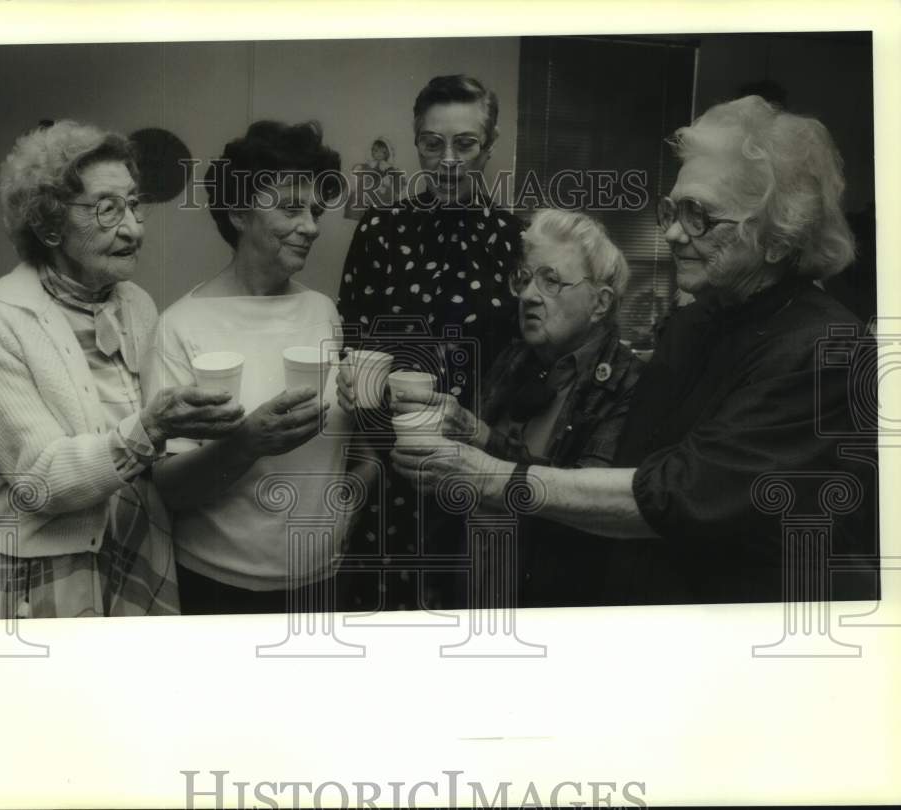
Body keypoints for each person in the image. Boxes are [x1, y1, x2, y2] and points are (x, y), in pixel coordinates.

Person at [391, 95, 879, 606]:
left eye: (699, 216)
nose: (669, 232)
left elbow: (674, 495)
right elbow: (605, 473)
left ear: (777, 237)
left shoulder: (826, 348)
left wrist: (487, 476)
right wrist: (477, 435)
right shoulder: (694, 323)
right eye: (672, 209)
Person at [0, 120, 244, 619]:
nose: (133, 228)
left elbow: (156, 453)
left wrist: (202, 429)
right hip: (41, 574)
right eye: (107, 210)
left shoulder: (137, 304)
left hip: (139, 551)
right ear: (48, 225)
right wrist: (152, 426)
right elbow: (40, 481)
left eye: (134, 204)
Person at [142, 120, 353, 615]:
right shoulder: (181, 325)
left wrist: (356, 492)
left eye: (315, 210)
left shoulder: (323, 310)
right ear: (238, 211)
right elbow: (168, 488)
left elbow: (344, 445)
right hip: (220, 586)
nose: (312, 226)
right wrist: (247, 442)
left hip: (323, 580)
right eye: (290, 208)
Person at [387, 209, 643, 606]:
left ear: (600, 303)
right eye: (525, 278)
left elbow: (587, 503)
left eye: (551, 280)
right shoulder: (513, 357)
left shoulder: (629, 384)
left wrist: (482, 437)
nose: (527, 295)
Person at [337, 74, 524, 611]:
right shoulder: (379, 230)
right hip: (389, 476)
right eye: (432, 142)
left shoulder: (517, 241)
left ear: (488, 147)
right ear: (416, 140)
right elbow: (352, 342)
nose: (448, 160)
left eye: (465, 144)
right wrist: (353, 386)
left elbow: (532, 365)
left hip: (479, 471)